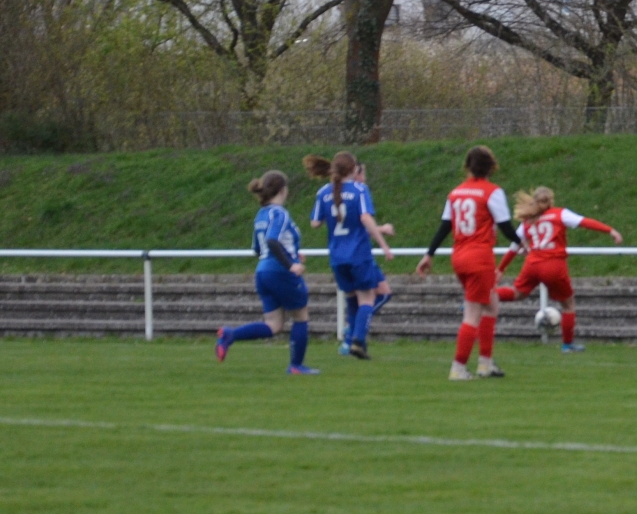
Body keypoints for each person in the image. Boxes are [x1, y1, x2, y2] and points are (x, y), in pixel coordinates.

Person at [415, 145, 523, 381]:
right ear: (492, 167)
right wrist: (521, 243)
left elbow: (445, 225)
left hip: (460, 256)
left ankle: (485, 363)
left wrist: (429, 254)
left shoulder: (456, 193)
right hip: (479, 257)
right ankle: (458, 368)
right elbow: (504, 226)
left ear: (467, 167)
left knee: (491, 304)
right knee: (473, 313)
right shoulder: (492, 192)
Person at [495, 186, 621, 352]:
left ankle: (480, 296)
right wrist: (610, 230)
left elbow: (514, 247)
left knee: (517, 294)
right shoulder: (560, 214)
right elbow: (585, 222)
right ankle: (567, 345)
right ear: (550, 201)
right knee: (568, 304)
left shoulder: (527, 221)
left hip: (532, 264)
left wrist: (501, 269)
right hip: (553, 265)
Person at [214, 171, 316, 375]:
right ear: (283, 190)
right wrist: (291, 265)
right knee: (300, 316)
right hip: (280, 272)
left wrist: (293, 254)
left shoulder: (261, 214)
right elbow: (272, 240)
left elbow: (258, 249)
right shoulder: (279, 213)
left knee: (274, 324)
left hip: (262, 271)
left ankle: (230, 335)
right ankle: (296, 366)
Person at [304, 152, 395, 359]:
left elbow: (315, 223)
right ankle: (357, 340)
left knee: (352, 299)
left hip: (337, 256)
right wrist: (384, 245)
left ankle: (351, 340)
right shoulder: (359, 190)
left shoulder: (323, 192)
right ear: (354, 169)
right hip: (358, 254)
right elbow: (365, 218)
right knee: (367, 298)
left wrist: (334, 218)